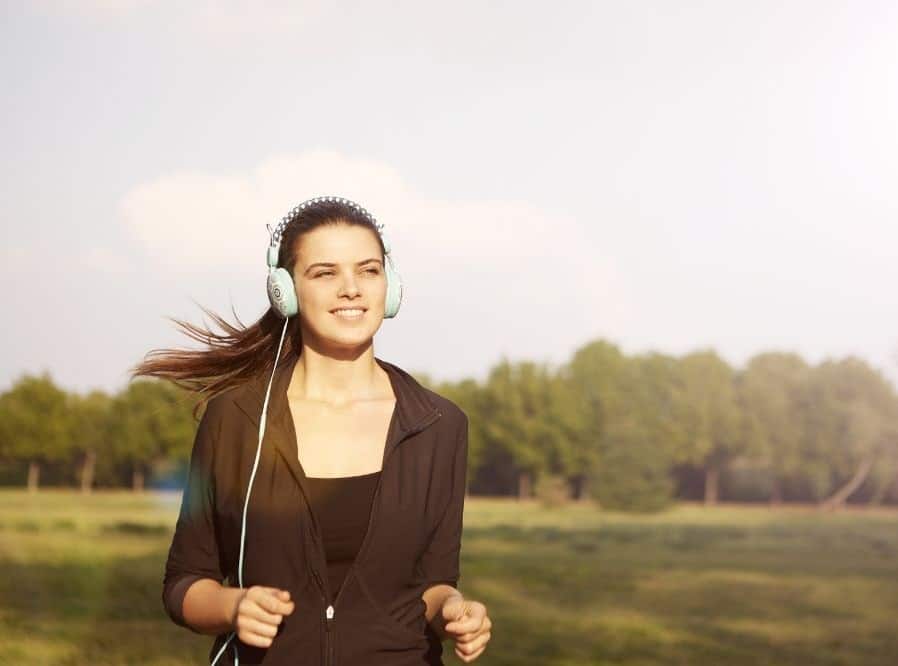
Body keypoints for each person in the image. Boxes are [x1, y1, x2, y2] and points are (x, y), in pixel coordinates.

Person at [131, 196, 492, 665]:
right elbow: (184, 583)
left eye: (368, 270)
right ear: (284, 291)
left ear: (391, 285)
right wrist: (234, 605)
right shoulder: (238, 419)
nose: (351, 289)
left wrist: (454, 611)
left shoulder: (440, 424)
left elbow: (433, 584)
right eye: (325, 273)